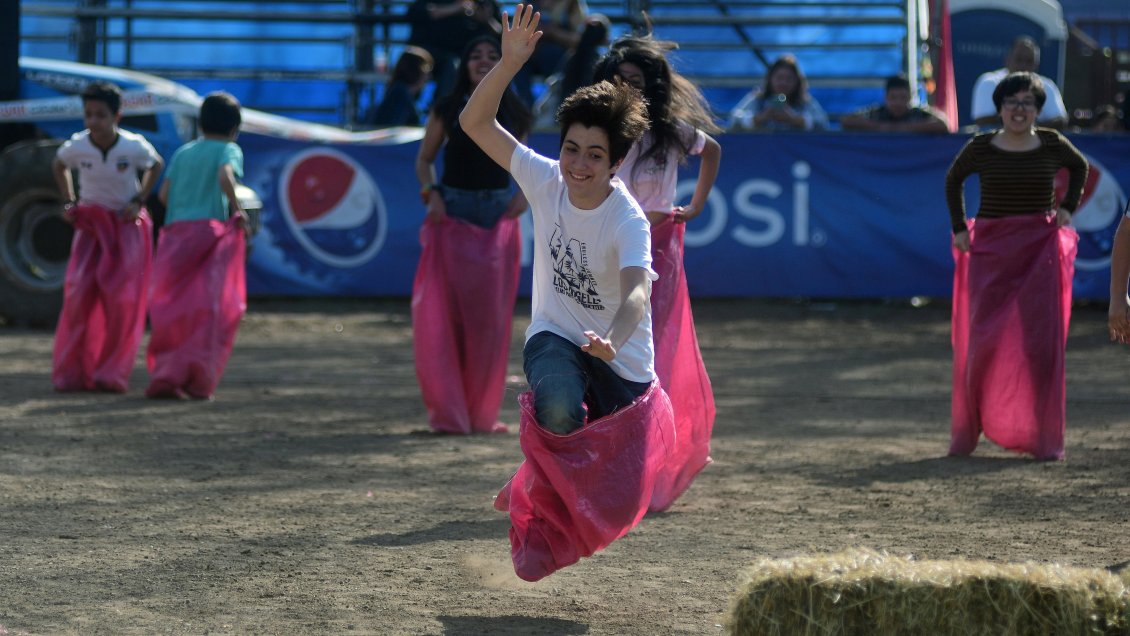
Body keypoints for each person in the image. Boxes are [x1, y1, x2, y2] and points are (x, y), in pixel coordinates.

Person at [460, 4, 674, 581]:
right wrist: (509, 64)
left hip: (623, 365)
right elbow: (475, 123)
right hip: (555, 337)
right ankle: (534, 501)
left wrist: (612, 339)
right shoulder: (544, 178)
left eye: (595, 155)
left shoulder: (627, 218)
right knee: (557, 407)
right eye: (572, 148)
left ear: (616, 162)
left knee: (614, 506)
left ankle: (530, 479)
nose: (579, 164)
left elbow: (637, 293)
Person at [591, 34, 720, 511]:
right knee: (607, 349)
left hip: (659, 246)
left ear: (652, 86)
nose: (627, 87)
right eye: (619, 79)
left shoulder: (670, 132)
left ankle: (652, 467)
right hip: (607, 245)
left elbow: (711, 151)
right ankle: (612, 464)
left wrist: (696, 205)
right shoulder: (600, 129)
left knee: (653, 352)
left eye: (636, 80)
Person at [945, 71, 1088, 461]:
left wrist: (1067, 207)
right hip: (991, 252)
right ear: (1000, 108)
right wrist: (959, 227)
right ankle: (969, 431)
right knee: (982, 343)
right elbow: (953, 179)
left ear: (1038, 109)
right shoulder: (981, 146)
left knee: (1039, 345)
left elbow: (1079, 168)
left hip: (1038, 253)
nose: (1019, 109)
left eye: (1028, 102)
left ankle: (1042, 435)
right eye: (1012, 102)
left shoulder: (1052, 143)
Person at [412, 35, 531, 434]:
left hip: (497, 217)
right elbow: (424, 160)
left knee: (489, 322)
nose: (483, 61)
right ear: (463, 65)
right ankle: (451, 411)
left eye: (492, 55)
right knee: (447, 318)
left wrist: (523, 196)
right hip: (453, 212)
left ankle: (481, 413)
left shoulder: (516, 111)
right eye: (475, 55)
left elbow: (526, 166)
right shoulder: (447, 107)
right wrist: (431, 194)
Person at [50, 81, 163, 393]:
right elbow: (59, 164)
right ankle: (74, 372)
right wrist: (69, 200)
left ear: (117, 116)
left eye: (100, 115)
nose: (93, 121)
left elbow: (155, 164)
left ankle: (111, 373)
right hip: (91, 229)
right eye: (88, 114)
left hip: (124, 229)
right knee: (78, 296)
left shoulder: (133, 146)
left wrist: (139, 199)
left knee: (122, 301)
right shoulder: (77, 146)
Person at [146, 92, 250, 400]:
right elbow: (226, 176)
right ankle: (196, 379)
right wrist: (237, 210)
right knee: (206, 311)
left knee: (171, 308)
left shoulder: (184, 152)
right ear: (235, 128)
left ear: (200, 124)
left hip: (175, 235)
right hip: (208, 236)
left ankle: (166, 375)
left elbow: (163, 196)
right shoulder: (229, 149)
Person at [406, 0, 502, 103]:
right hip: (431, 54)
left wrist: (486, 21)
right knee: (450, 64)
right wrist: (456, 8)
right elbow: (415, 13)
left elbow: (501, 33)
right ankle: (443, 108)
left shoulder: (484, 3)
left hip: (467, 58)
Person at [970, 37, 1067, 129]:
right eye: (1018, 59)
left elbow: (1060, 121)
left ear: (1036, 65)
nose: (1023, 65)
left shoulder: (1047, 85)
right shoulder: (989, 82)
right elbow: (984, 121)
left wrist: (1025, 127)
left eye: (1029, 61)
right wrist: (1025, 123)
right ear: (1007, 60)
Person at [728, 55, 828, 132]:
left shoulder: (804, 101)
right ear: (770, 79)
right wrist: (761, 118)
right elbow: (733, 120)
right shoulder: (758, 98)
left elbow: (823, 124)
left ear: (797, 82)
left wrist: (794, 119)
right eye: (779, 78)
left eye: (789, 79)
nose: (783, 83)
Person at [840, 74, 950, 133]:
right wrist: (881, 127)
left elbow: (943, 124)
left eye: (903, 97)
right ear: (886, 97)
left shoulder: (918, 114)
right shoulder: (876, 113)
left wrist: (906, 128)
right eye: (893, 97)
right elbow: (846, 121)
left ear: (910, 97)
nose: (898, 102)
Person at [365, 46, 434, 128]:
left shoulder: (400, 93)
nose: (428, 77)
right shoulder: (399, 95)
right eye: (425, 70)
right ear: (414, 71)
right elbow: (392, 129)